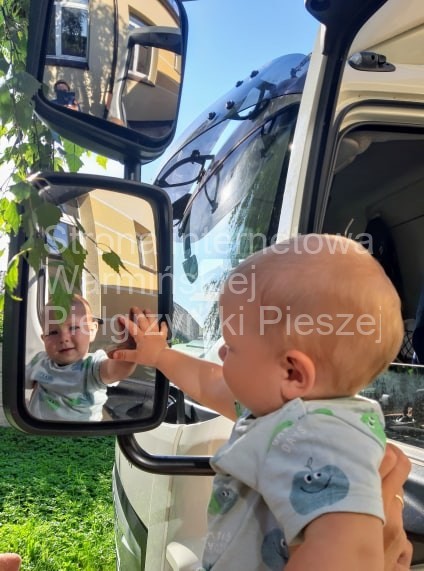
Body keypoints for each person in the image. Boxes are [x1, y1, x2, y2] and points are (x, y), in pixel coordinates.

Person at [113, 234, 413, 570]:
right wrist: (158, 355)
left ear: (292, 372)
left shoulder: (322, 438)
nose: (221, 353)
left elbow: (348, 557)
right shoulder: (281, 412)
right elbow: (208, 383)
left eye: (231, 346)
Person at [25, 295, 136, 421]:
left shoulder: (93, 366)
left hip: (82, 432)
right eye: (53, 332)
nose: (63, 338)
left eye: (73, 328)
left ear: (92, 330)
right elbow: (17, 381)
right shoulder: (40, 361)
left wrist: (130, 351)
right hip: (36, 429)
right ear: (44, 339)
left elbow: (115, 371)